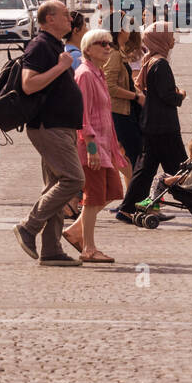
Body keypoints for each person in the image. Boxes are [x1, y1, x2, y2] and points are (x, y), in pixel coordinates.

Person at [13, 1, 84, 267]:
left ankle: (52, 250)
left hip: (60, 126)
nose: (70, 19)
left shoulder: (54, 45)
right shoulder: (40, 45)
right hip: (48, 126)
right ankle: (28, 227)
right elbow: (28, 84)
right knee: (74, 180)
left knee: (56, 186)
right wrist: (60, 66)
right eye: (65, 15)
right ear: (50, 19)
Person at [60, 28, 126, 263]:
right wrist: (92, 149)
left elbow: (104, 115)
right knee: (94, 196)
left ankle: (76, 231)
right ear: (87, 49)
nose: (107, 47)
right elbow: (83, 116)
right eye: (101, 44)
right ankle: (88, 247)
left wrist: (115, 143)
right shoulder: (85, 74)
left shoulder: (98, 73)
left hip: (104, 146)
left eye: (109, 44)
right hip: (91, 147)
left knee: (113, 192)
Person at [117, 21, 188, 224]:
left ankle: (128, 208)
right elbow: (167, 96)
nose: (173, 40)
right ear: (161, 39)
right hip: (164, 125)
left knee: (145, 170)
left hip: (151, 123)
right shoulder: (161, 63)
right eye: (170, 36)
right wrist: (180, 95)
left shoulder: (149, 61)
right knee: (180, 169)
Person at [104, 26, 144, 195]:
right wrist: (135, 97)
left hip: (125, 111)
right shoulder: (113, 54)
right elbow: (109, 86)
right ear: (120, 30)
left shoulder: (118, 52)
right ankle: (135, 200)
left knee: (129, 157)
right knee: (133, 158)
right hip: (120, 112)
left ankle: (133, 198)